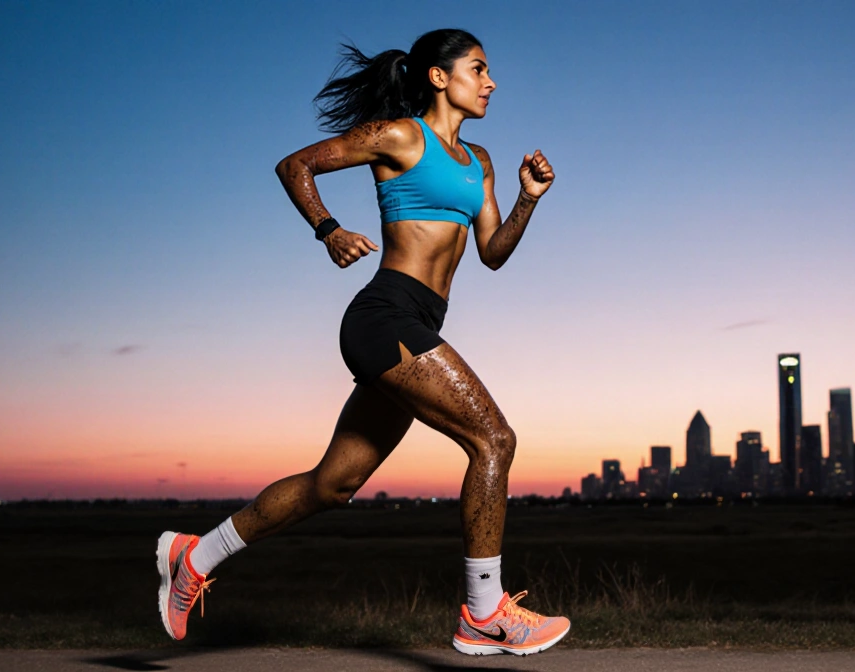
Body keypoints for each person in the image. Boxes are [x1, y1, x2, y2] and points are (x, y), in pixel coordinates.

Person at [154, 28, 569, 656]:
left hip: (420, 324)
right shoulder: (400, 135)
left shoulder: (479, 160)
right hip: (385, 317)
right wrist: (329, 230)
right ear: (438, 76)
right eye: (479, 69)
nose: (490, 82)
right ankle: (484, 611)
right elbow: (295, 166)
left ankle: (194, 555)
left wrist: (526, 200)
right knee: (494, 439)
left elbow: (492, 252)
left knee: (333, 485)